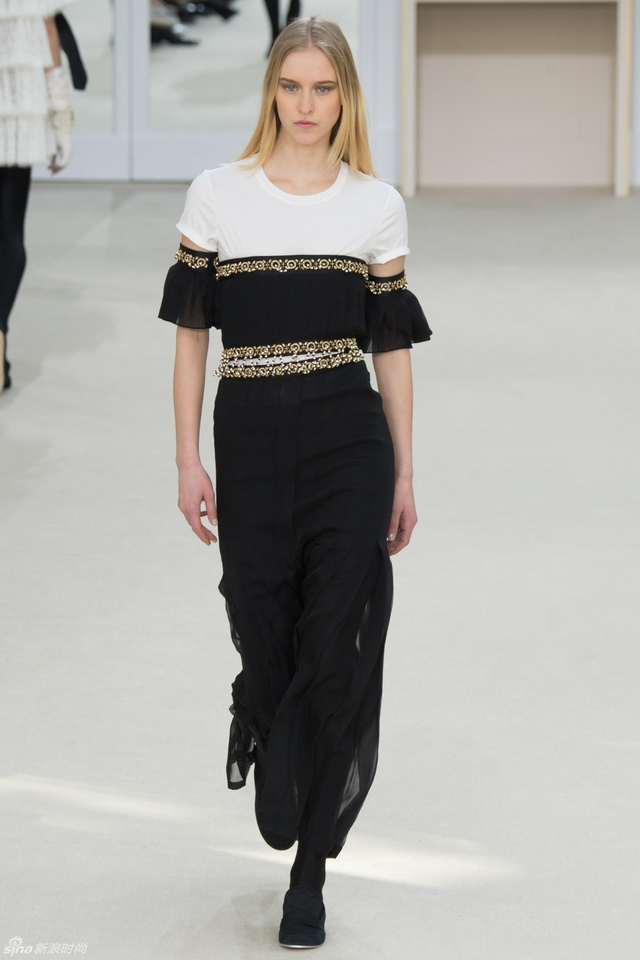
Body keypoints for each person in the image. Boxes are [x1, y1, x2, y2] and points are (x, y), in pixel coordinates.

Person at [158, 14, 432, 949]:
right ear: (270, 91)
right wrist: (188, 457)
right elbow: (192, 337)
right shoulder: (217, 196)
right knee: (265, 628)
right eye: (290, 87)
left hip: (348, 440)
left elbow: (390, 348)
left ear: (345, 97)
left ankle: (307, 877)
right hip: (250, 442)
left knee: (336, 649)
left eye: (323, 88)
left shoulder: (375, 205)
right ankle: (260, 712)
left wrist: (404, 469)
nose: (305, 105)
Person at [0, 2, 75, 393]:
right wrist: (62, 118)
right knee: (9, 230)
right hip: (16, 112)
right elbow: (48, 33)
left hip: (18, 110)